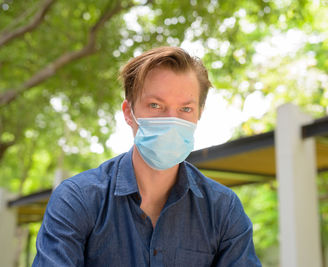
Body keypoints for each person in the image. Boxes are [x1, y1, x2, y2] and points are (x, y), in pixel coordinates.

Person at [33, 46, 261, 266]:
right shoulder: (77, 200)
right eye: (155, 105)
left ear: (199, 115)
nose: (172, 120)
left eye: (185, 109)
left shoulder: (223, 210)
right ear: (128, 113)